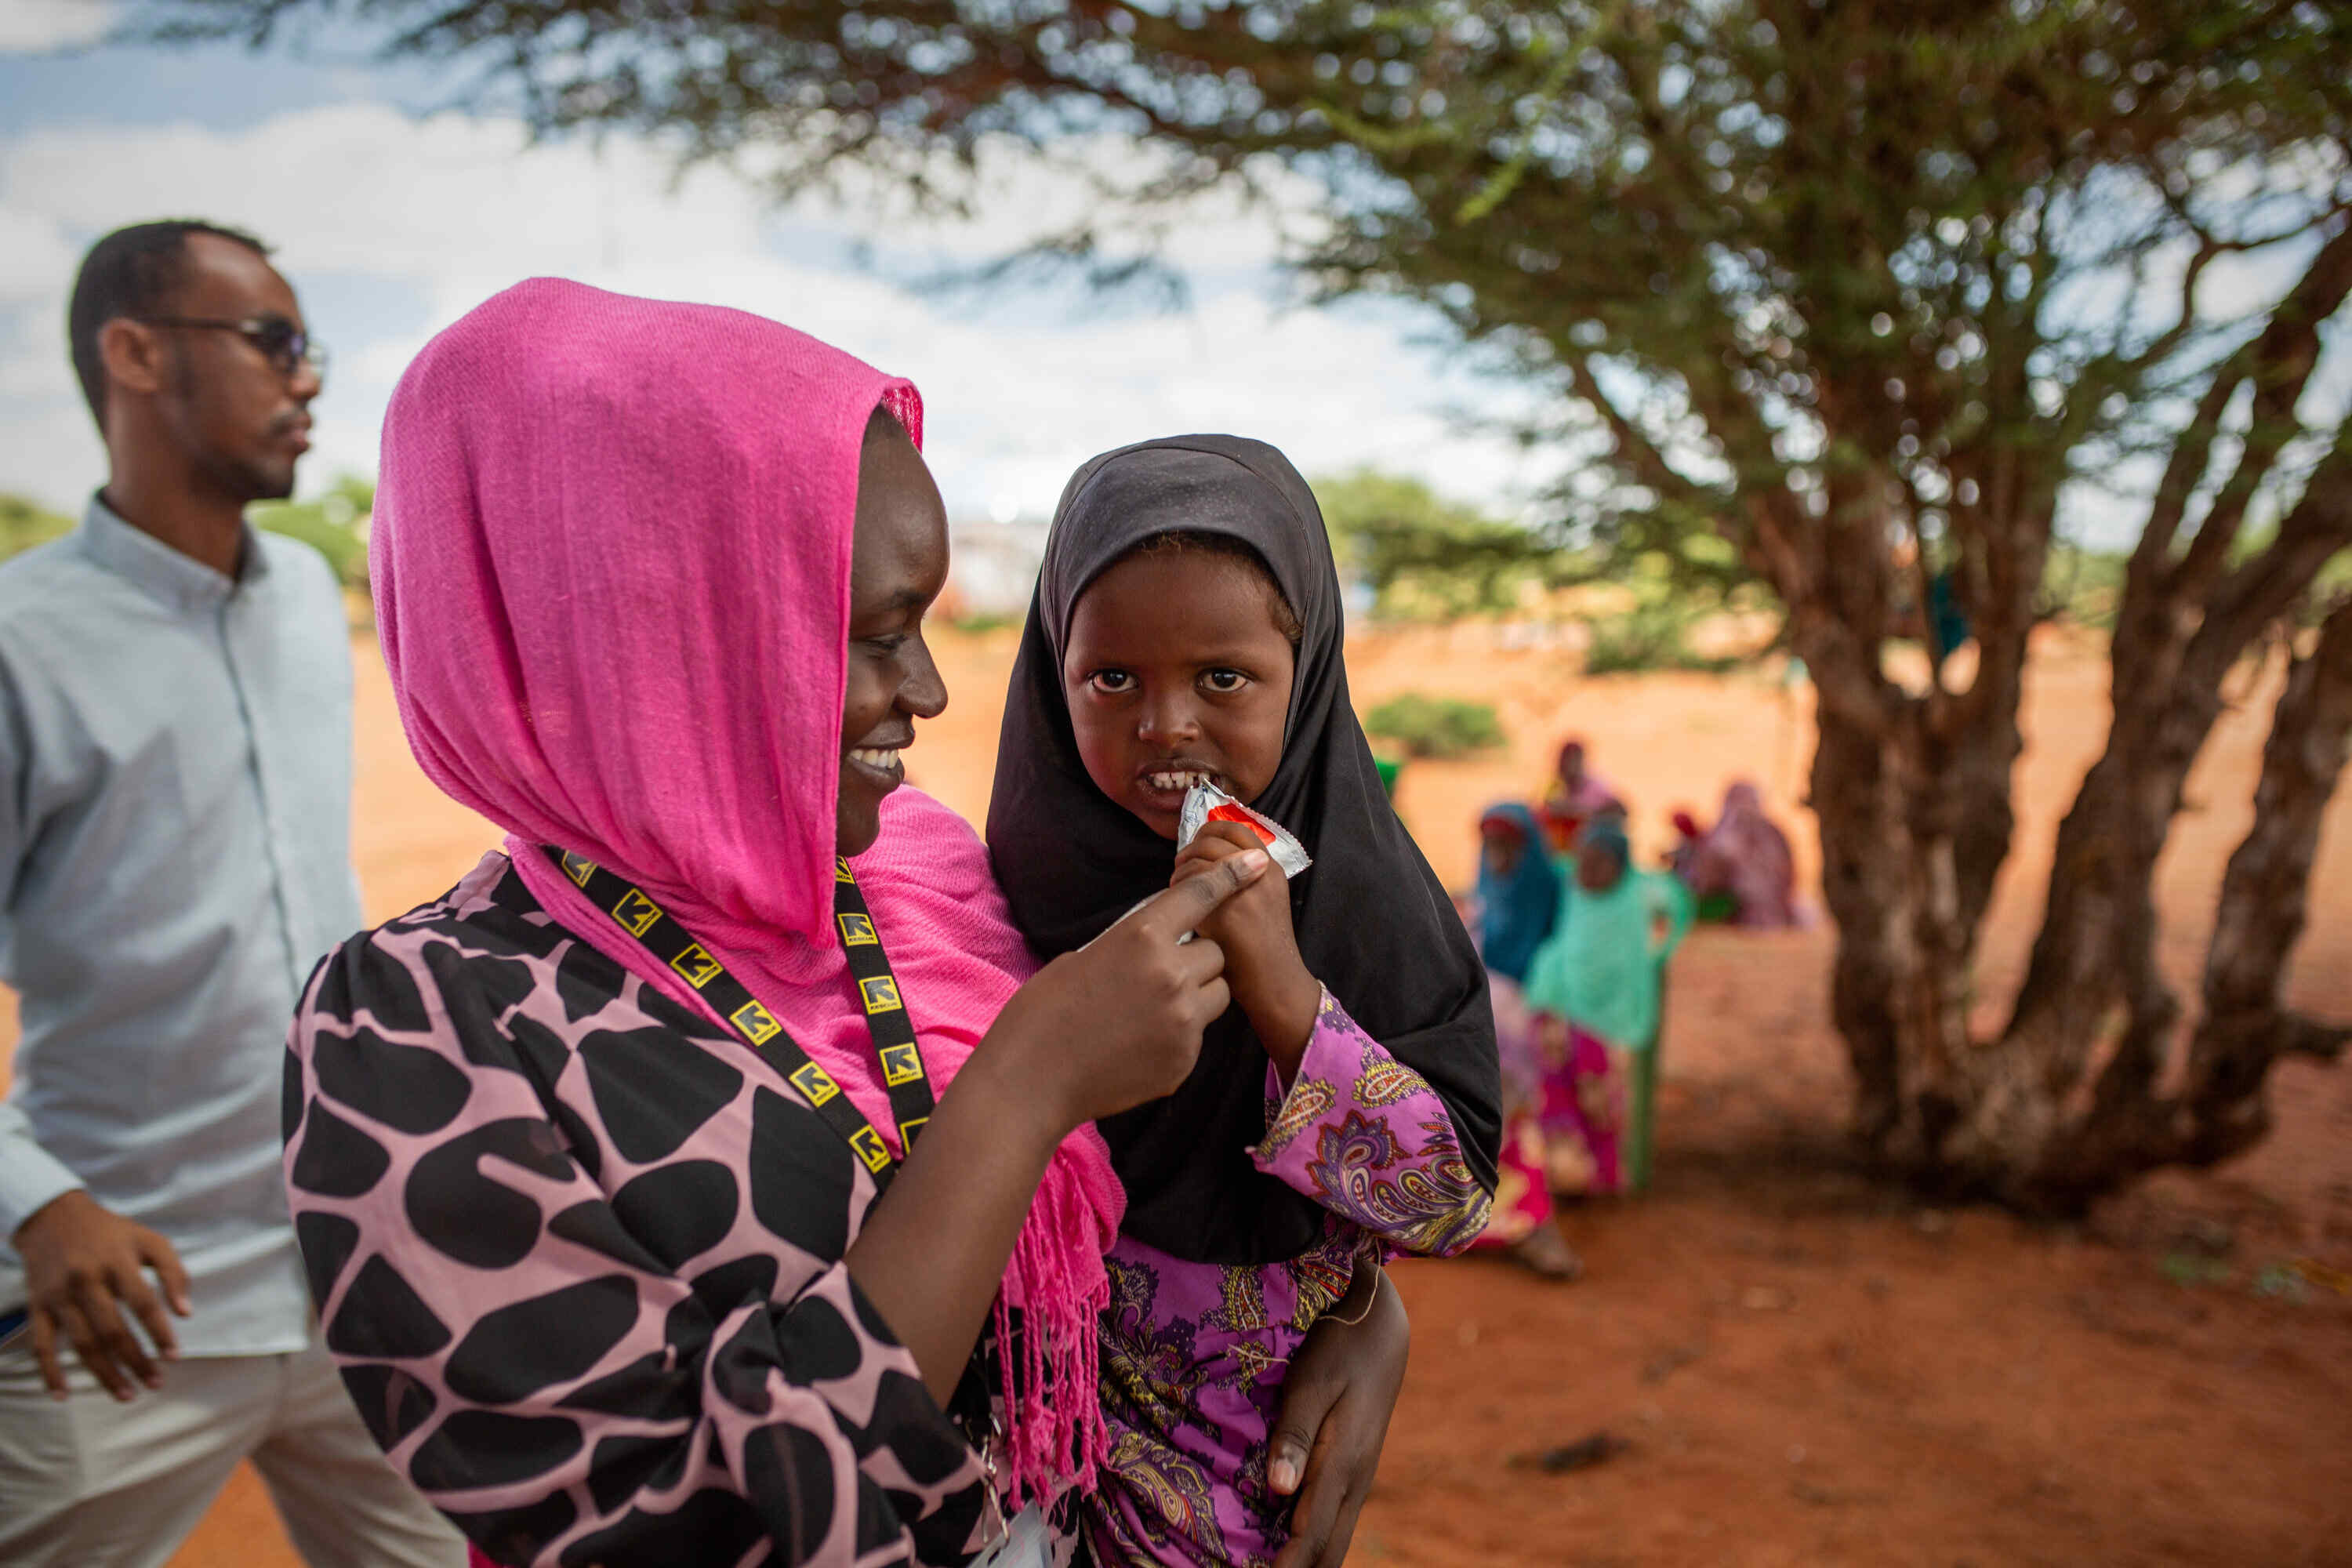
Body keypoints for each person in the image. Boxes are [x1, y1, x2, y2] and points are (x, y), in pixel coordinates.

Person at [285, 281, 1410, 1568]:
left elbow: (1163, 1204)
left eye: (924, 626)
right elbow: (687, 1527)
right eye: (867, 635)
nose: (926, 692)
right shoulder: (422, 1032)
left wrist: (1348, 1313)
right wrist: (1023, 1087)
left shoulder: (920, 882)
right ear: (649, 631)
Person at [0, 221, 462, 1568]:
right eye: (273, 341)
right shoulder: (22, 647)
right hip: (122, 1296)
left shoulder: (311, 596)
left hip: (357, 1276)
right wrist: (40, 1205)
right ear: (136, 354)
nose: (308, 378)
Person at [986, 437, 1501, 1568]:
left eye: (1222, 677)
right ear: (1052, 670)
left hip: (1233, 1467)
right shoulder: (1000, 892)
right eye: (1112, 678)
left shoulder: (1364, 904)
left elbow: (1449, 1201)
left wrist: (1283, 989)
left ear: (1305, 673)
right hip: (1008, 1445)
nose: (1166, 724)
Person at [1519, 818, 1691, 1196]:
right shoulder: (1570, 891)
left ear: (1621, 868)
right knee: (1553, 1084)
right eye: (1584, 860)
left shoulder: (1638, 900)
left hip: (1610, 1020)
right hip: (1561, 1009)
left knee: (1600, 1100)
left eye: (1601, 863)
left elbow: (1678, 905)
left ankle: (1603, 1176)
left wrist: (1658, 953)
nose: (1589, 871)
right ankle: (1565, 1174)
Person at [1464, 804, 1578, 1279]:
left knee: (1510, 1117)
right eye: (1491, 846)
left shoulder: (1555, 896)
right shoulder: (1482, 901)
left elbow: (1561, 976)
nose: (1499, 857)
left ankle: (1530, 1224)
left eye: (1510, 846)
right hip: (1485, 1035)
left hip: (1534, 1033)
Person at [1679, 780, 1800, 929]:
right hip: (1724, 899)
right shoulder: (1722, 830)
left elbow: (1784, 876)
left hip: (1762, 903)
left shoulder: (1771, 835)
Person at [1534, 739, 1621, 854]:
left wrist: (1577, 811)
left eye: (1570, 761)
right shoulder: (1554, 787)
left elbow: (1620, 811)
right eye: (1562, 761)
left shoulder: (1596, 787)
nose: (1564, 766)